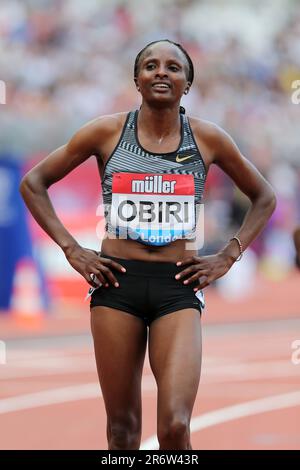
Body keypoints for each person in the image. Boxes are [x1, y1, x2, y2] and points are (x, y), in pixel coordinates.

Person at [20, 39, 276, 450]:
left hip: (178, 286)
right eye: (151, 66)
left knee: (175, 425)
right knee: (122, 431)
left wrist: (229, 255)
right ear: (136, 80)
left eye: (173, 67)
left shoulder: (209, 139)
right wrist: (72, 248)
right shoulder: (106, 132)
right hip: (116, 286)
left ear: (187, 84)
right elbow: (33, 183)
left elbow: (264, 197)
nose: (161, 72)